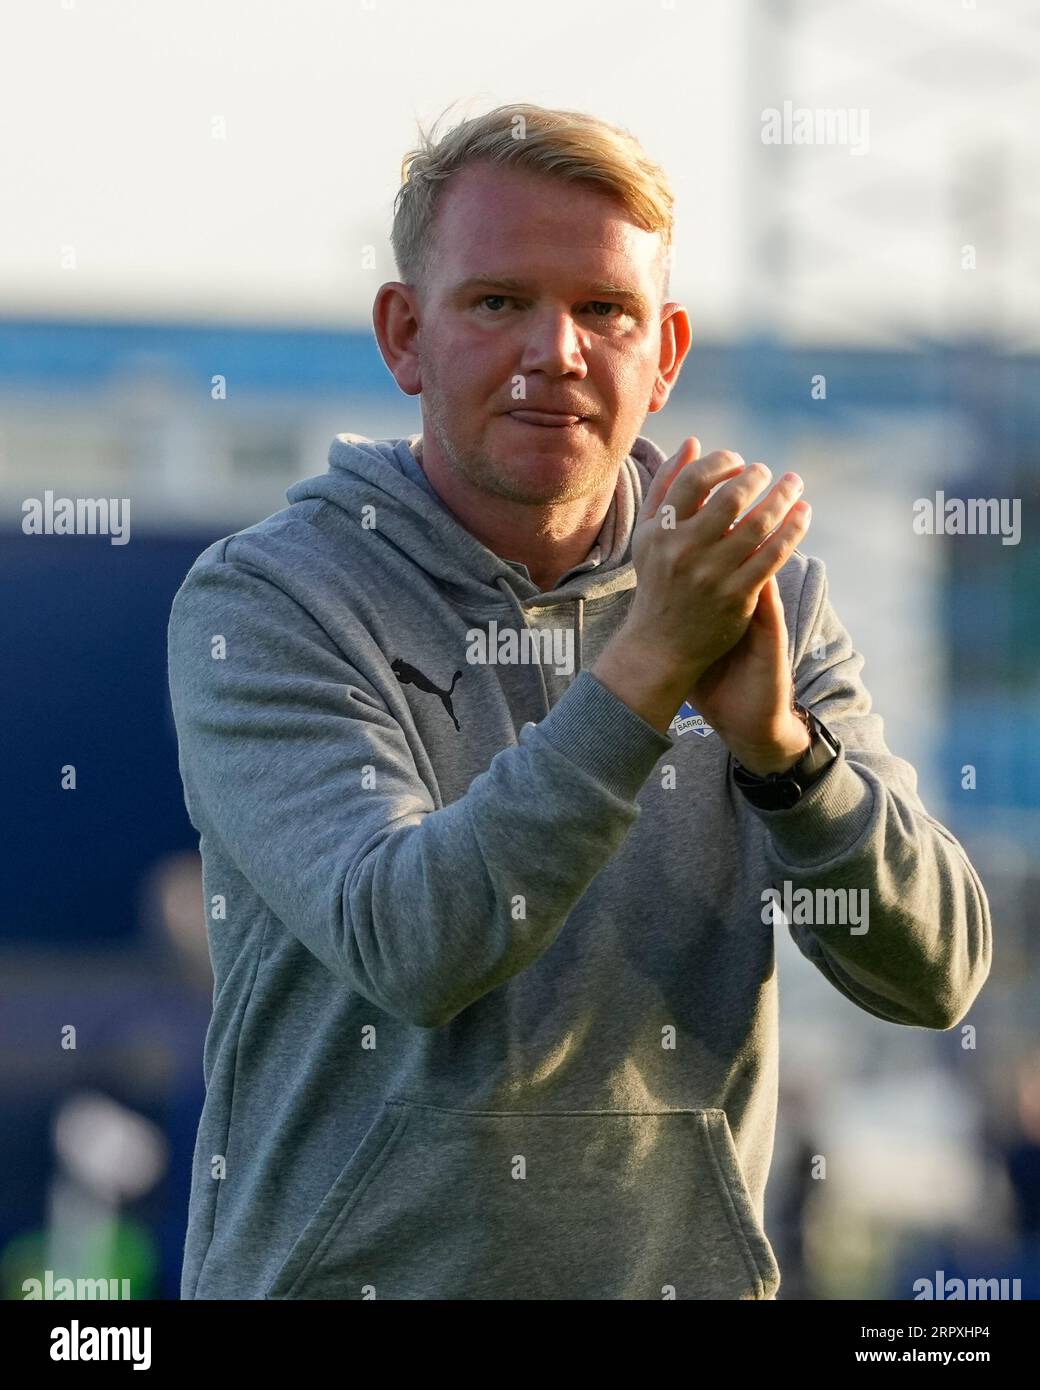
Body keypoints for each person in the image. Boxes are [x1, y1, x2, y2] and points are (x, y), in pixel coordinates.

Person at [167, 102, 992, 1300]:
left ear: (662, 355)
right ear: (405, 335)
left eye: (605, 311)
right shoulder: (271, 597)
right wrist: (646, 673)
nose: (554, 350)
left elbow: (938, 977)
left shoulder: (759, 592)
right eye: (498, 301)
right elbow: (414, 942)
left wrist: (783, 755)